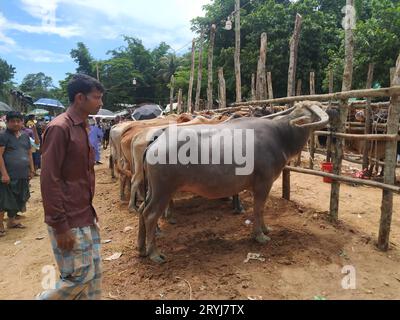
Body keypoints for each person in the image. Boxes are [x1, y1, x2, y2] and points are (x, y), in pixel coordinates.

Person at [38, 74, 104, 300]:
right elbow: (49, 179)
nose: (100, 103)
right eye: (97, 97)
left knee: (94, 274)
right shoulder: (59, 128)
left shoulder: (83, 126)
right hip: (68, 219)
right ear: (79, 98)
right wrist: (60, 226)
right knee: (79, 276)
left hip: (85, 214)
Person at [0, 111, 35, 236]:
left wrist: (31, 170)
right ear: (7, 122)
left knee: (19, 197)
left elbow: (29, 153)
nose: (15, 123)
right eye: (12, 121)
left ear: (22, 122)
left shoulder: (25, 136)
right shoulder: (3, 136)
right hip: (8, 174)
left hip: (22, 173)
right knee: (4, 200)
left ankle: (12, 221)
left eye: (18, 121)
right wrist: (4, 174)